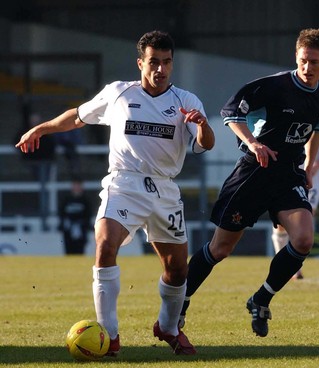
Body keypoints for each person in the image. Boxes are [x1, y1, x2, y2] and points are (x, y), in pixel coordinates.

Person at [15, 30, 215, 355]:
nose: (160, 69)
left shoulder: (186, 101)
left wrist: (203, 125)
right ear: (140, 63)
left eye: (166, 63)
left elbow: (204, 145)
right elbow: (77, 117)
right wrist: (42, 128)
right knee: (105, 245)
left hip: (164, 189)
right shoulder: (119, 93)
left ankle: (167, 327)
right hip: (124, 184)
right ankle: (109, 337)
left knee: (178, 269)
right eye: (153, 62)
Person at [179, 28, 319, 338]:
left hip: (288, 173)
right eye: (303, 61)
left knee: (304, 240)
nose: (307, 68)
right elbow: (230, 113)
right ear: (296, 57)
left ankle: (260, 299)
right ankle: (179, 303)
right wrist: (253, 143)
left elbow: (317, 128)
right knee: (221, 248)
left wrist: (307, 167)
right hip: (254, 172)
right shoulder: (273, 87)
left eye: (314, 63)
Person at [271, 119, 319, 279]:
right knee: (281, 223)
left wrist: (314, 167)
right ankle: (283, 262)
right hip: (286, 175)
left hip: (311, 179)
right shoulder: (286, 113)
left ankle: (292, 266)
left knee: (302, 223)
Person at [59, 178, 92, 255]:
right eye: (75, 186)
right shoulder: (66, 199)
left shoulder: (85, 200)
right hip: (69, 227)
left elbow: (88, 215)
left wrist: (85, 225)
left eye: (78, 186)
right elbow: (61, 213)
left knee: (80, 247)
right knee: (68, 247)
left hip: (81, 227)